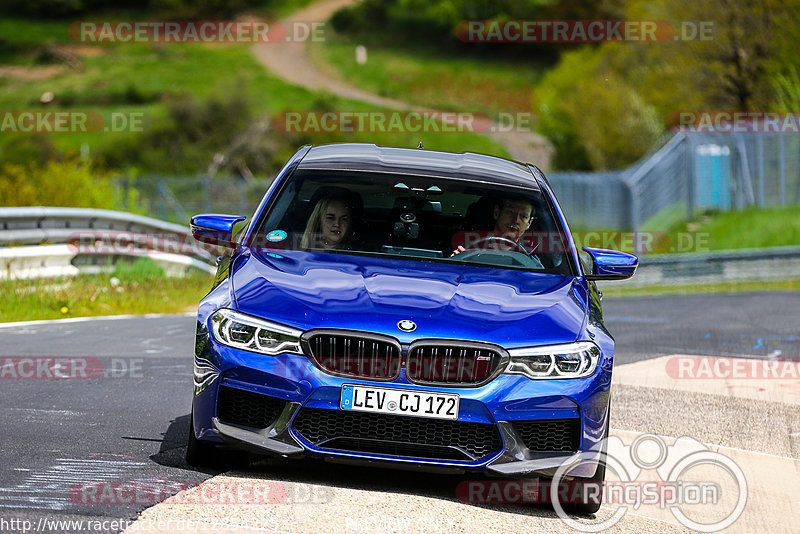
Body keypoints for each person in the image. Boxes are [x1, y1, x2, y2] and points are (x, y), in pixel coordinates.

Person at [453, 198, 535, 255]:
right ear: (497, 213)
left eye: (523, 216)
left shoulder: (530, 261)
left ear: (529, 223)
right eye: (510, 213)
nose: (516, 220)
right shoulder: (467, 248)